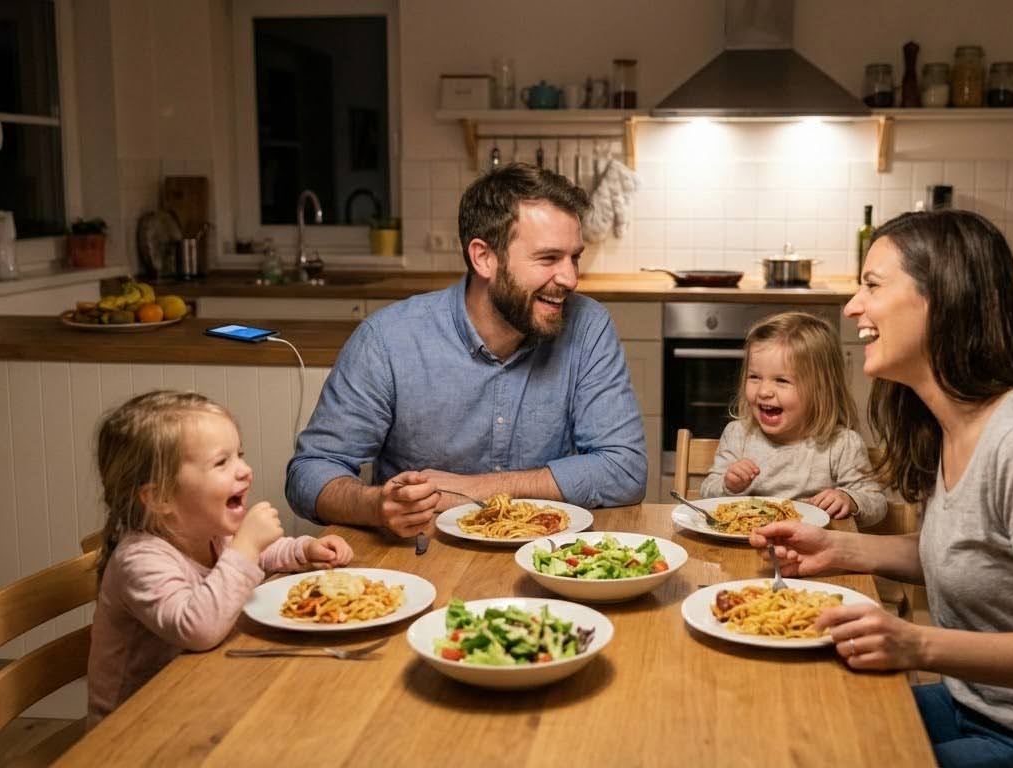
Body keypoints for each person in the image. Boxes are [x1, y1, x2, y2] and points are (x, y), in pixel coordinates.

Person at [750, 210, 1013, 767]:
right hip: (984, 704)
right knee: (790, 724)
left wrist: (915, 642)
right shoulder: (951, 426)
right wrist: (839, 548)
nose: (852, 307)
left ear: (942, 299)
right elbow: (976, 555)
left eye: (872, 286)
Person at [286, 164, 646, 537]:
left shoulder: (587, 327)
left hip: (546, 558)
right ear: (483, 258)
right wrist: (376, 506)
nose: (570, 278)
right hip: (420, 560)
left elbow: (625, 469)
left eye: (574, 257)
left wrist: (474, 489)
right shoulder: (388, 339)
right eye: (548, 258)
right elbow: (309, 473)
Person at [87, 390, 353, 727]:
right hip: (134, 729)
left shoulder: (211, 531)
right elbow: (198, 627)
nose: (244, 470)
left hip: (204, 695)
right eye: (221, 462)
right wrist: (245, 547)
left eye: (239, 455)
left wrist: (304, 551)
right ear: (159, 497)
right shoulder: (140, 560)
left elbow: (264, 555)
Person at [699, 311, 886, 527]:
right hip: (741, 547)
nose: (764, 391)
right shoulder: (738, 435)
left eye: (781, 380)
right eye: (754, 377)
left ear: (820, 389)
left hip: (813, 553)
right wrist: (728, 485)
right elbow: (707, 493)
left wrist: (849, 499)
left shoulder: (841, 444)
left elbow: (876, 503)